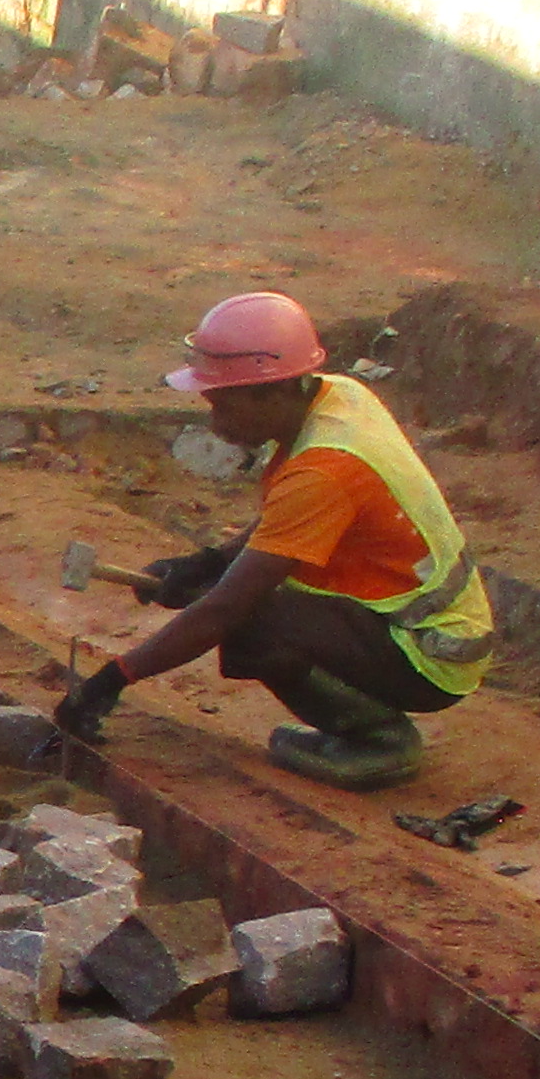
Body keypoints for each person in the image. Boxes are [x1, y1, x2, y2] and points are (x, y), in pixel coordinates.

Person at [56, 291, 490, 788]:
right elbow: (283, 524)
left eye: (224, 403)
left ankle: (379, 740)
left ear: (276, 391)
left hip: (430, 653)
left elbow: (227, 607)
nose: (214, 419)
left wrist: (113, 680)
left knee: (246, 620)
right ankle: (364, 725)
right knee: (224, 593)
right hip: (404, 622)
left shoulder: (326, 470)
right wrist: (204, 561)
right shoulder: (336, 396)